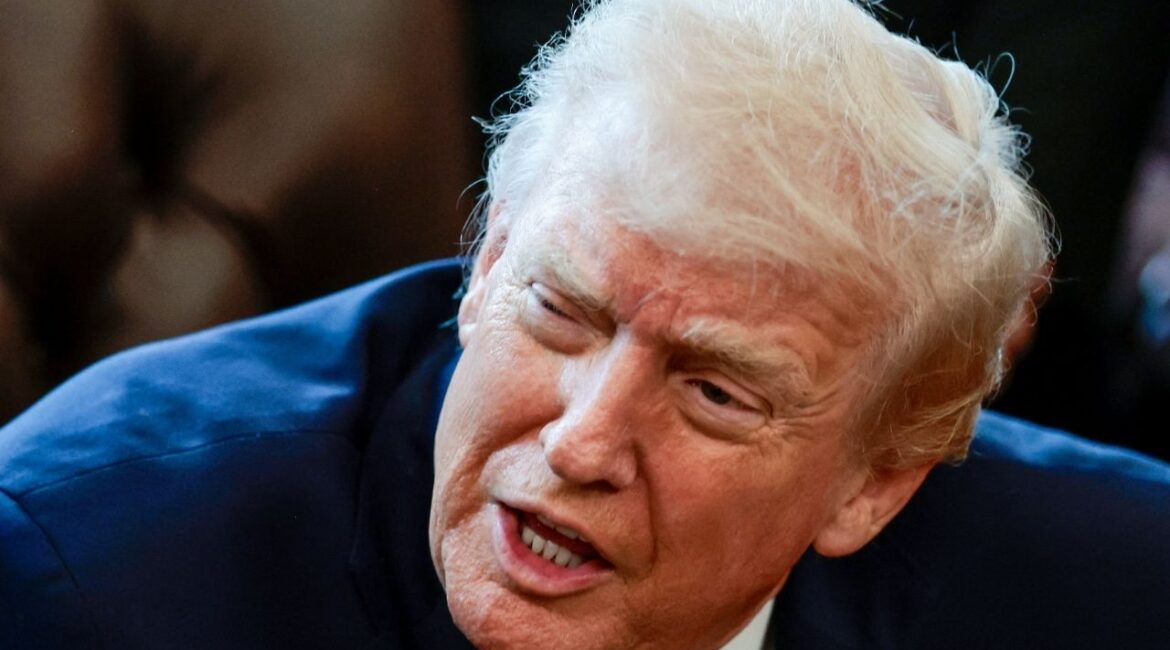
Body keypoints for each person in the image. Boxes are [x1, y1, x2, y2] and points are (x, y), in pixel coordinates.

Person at [1, 1, 1167, 649]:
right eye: (559, 310)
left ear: (878, 479)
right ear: (489, 254)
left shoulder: (1117, 583)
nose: (579, 441)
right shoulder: (82, 572)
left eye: (716, 390)